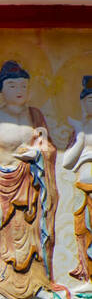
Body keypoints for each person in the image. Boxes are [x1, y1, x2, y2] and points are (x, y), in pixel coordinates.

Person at [0, 60, 59, 299]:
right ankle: (4, 287)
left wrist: (39, 154)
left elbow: (49, 147)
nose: (19, 90)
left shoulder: (35, 116)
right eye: (12, 86)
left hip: (31, 186)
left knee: (32, 237)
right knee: (9, 238)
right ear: (1, 90)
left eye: (23, 85)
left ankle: (37, 286)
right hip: (6, 188)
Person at [62, 77, 92, 283]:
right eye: (89, 99)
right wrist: (81, 138)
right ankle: (87, 276)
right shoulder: (79, 130)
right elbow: (66, 162)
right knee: (82, 232)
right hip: (82, 190)